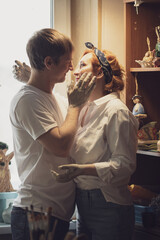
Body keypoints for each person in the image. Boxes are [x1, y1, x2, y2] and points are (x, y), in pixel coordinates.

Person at [10, 28, 96, 240]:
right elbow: (61, 146)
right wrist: (75, 106)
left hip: (54, 213)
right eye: (67, 61)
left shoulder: (52, 98)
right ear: (49, 63)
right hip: (36, 214)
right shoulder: (26, 100)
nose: (71, 67)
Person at [51, 42, 139, 240]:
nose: (75, 72)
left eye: (83, 65)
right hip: (81, 203)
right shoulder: (81, 109)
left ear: (99, 73)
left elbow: (125, 165)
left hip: (110, 204)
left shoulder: (116, 111)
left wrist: (83, 169)